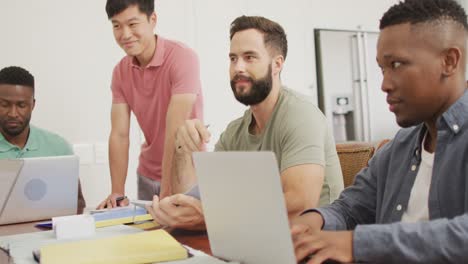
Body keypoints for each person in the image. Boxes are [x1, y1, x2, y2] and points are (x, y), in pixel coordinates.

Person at [291, 0, 468, 263]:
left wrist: (359, 244)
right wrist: (312, 222)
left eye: (396, 64)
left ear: (449, 61)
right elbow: (350, 209)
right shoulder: (400, 146)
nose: (384, 84)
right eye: (382, 69)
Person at [146, 15, 344, 230]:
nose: (238, 67)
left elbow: (300, 203)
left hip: (316, 244)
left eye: (249, 57)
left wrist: (212, 217)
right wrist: (182, 150)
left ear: (277, 64)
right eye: (233, 58)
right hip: (258, 236)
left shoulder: (301, 115)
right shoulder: (235, 131)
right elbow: (195, 199)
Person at [97, 0, 204, 209]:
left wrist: (167, 190)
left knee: (186, 241)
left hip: (186, 172)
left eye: (133, 24)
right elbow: (119, 134)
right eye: (116, 25)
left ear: (152, 20)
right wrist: (117, 192)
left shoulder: (182, 58)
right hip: (146, 175)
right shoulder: (120, 72)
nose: (125, 34)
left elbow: (175, 128)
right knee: (147, 240)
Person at [0, 66, 86, 213]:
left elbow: (78, 203)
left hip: (45, 233)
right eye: (4, 104)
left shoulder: (58, 147)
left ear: (33, 105)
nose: (13, 113)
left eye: (21, 105)